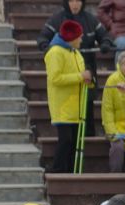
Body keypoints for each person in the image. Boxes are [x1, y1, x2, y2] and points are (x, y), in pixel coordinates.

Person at [45, 19, 94, 175]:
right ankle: (57, 169)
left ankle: (70, 170)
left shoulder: (76, 53)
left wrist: (89, 80)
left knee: (73, 142)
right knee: (65, 140)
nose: (81, 39)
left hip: (76, 106)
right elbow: (56, 78)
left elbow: (82, 76)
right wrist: (81, 76)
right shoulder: (55, 52)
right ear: (71, 38)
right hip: (63, 105)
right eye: (79, 37)